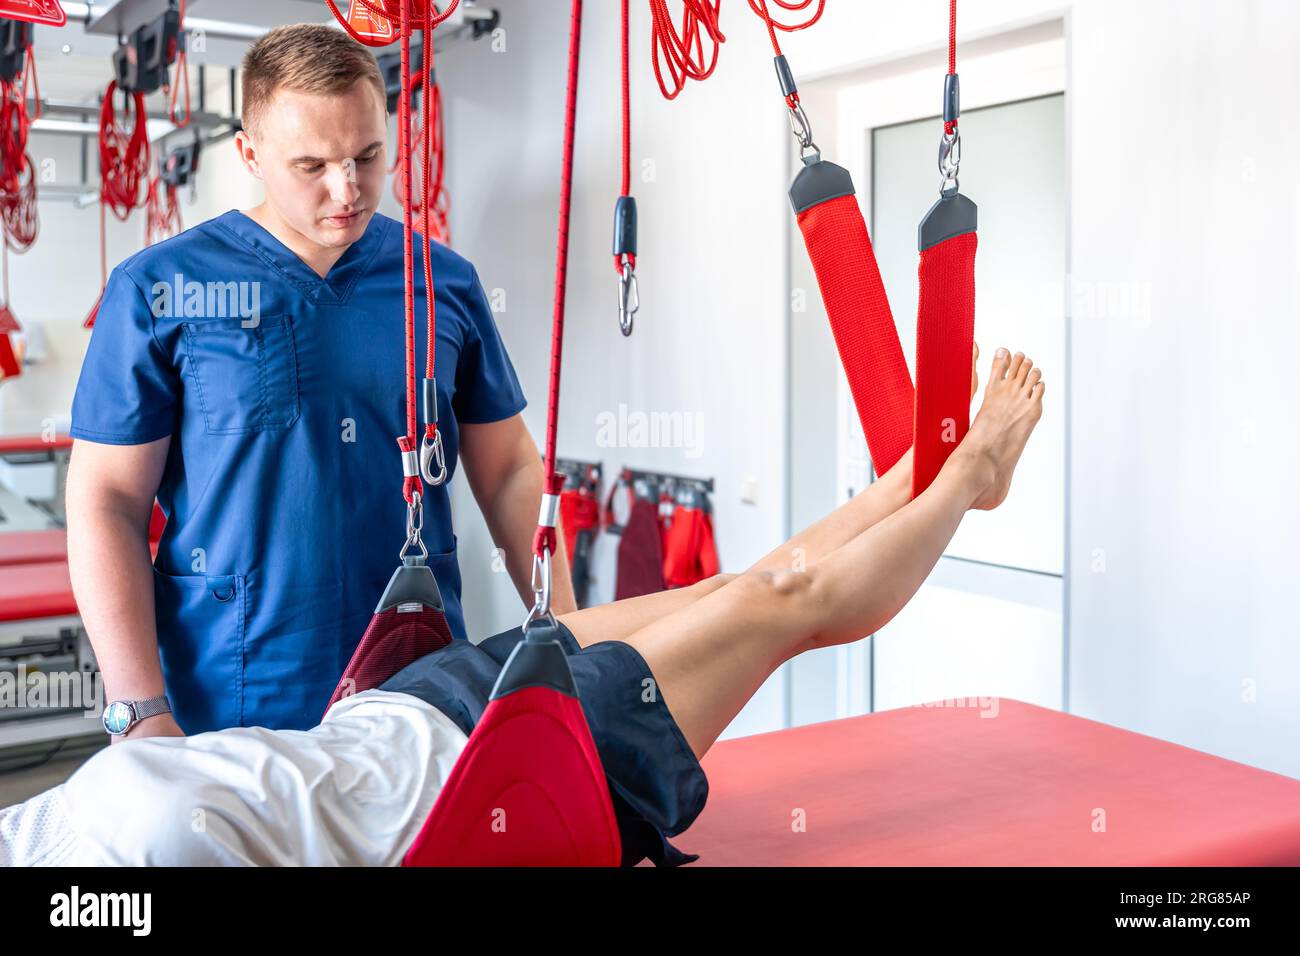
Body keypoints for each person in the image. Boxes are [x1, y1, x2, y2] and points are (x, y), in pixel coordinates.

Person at [2, 347, 1043, 867]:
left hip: (409, 703)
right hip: (500, 780)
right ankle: (966, 481)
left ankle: (902, 481)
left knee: (722, 586)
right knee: (785, 602)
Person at [64, 24, 576, 742]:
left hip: (419, 687)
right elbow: (107, 499)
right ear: (250, 154)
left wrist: (566, 634)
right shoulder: (162, 289)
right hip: (229, 690)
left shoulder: (443, 282)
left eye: (368, 156)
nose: (348, 189)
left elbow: (510, 469)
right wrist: (138, 708)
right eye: (313, 165)